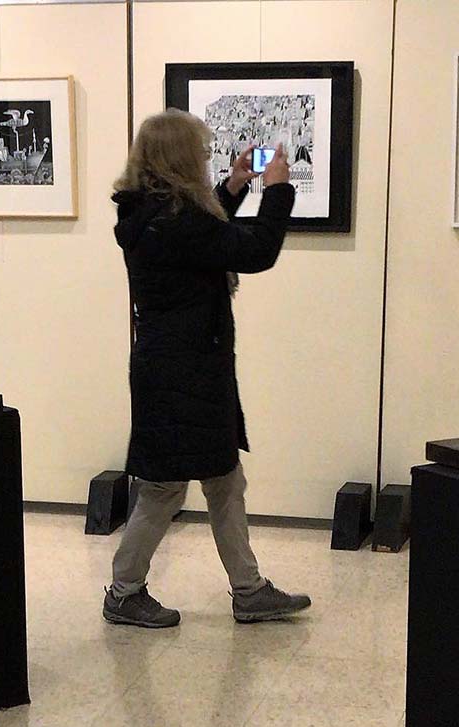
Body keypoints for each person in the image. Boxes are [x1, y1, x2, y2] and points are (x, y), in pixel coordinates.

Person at [104, 109, 312, 629]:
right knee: (166, 487)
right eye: (199, 152)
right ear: (179, 158)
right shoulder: (175, 223)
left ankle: (249, 590)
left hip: (180, 366)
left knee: (222, 479)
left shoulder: (152, 213)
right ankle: (125, 593)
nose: (205, 158)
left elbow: (206, 236)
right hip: (183, 371)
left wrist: (234, 187)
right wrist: (277, 190)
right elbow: (254, 251)